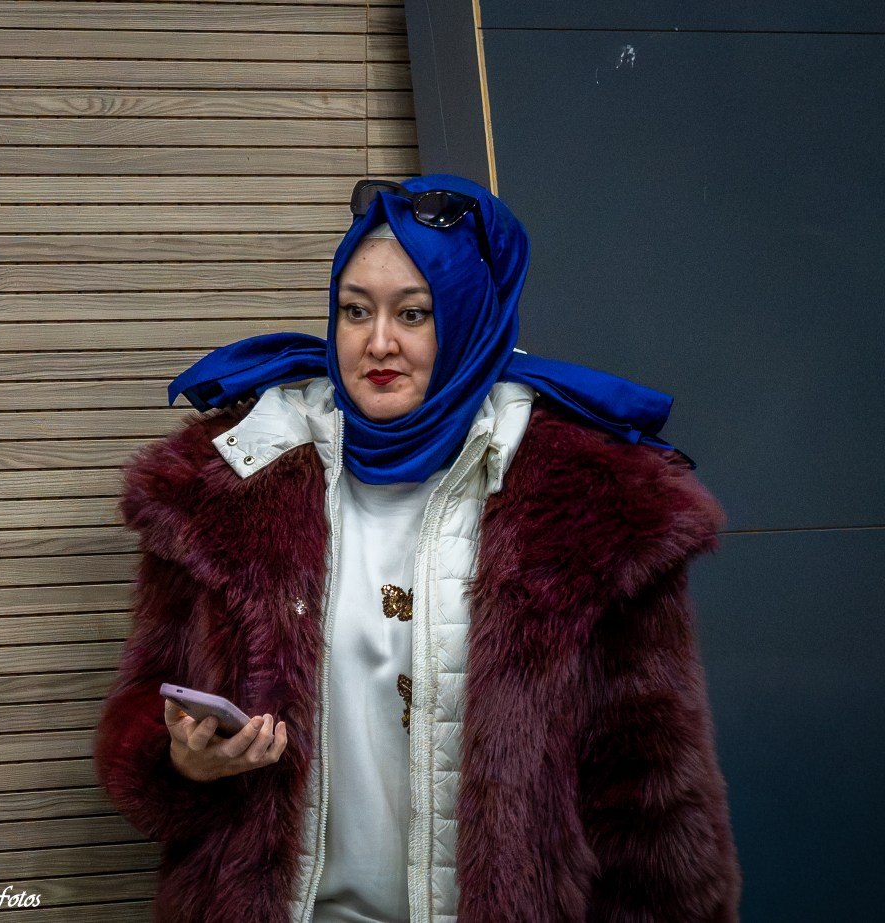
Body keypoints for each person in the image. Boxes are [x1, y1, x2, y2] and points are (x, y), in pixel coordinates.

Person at [95, 175, 740, 923]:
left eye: (413, 313)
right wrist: (181, 757)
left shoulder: (586, 507)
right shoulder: (230, 482)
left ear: (468, 320)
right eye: (355, 310)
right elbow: (143, 705)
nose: (378, 342)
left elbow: (652, 790)